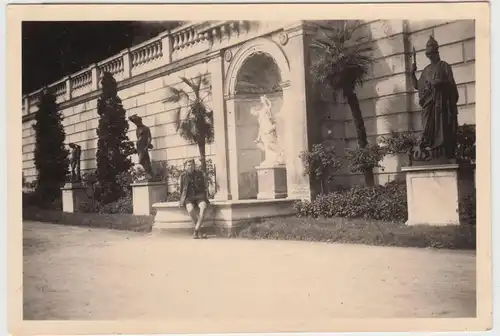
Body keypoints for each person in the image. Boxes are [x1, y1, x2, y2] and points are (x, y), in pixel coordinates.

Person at [411, 36, 459, 161]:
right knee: (428, 127)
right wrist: (411, 73)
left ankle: (443, 154)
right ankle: (429, 152)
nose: (430, 56)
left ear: (437, 53)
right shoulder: (426, 70)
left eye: (432, 53)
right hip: (429, 103)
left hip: (442, 103)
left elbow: (450, 83)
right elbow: (417, 85)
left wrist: (438, 82)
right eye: (428, 54)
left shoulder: (444, 66)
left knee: (442, 128)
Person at [179, 159, 209, 239]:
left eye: (192, 165)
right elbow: (182, 189)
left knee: (203, 207)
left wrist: (204, 197)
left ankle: (196, 230)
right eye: (188, 165)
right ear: (185, 166)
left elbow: (204, 187)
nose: (190, 166)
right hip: (189, 197)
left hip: (199, 196)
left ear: (194, 165)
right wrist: (182, 200)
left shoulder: (199, 174)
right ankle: (200, 231)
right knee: (190, 209)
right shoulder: (183, 176)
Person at [128, 114, 154, 179]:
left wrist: (147, 145)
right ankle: (149, 173)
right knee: (145, 160)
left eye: (136, 122)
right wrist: (133, 116)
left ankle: (149, 173)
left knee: (141, 161)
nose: (135, 123)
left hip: (144, 146)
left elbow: (149, 138)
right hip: (139, 147)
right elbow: (129, 118)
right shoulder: (137, 129)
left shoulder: (146, 128)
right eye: (134, 122)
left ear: (139, 121)